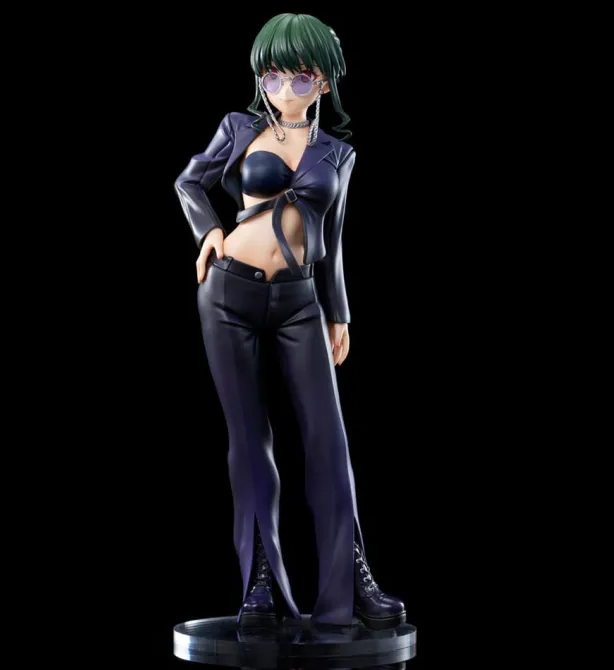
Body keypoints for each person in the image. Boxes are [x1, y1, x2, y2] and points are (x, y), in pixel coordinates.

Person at [174, 13, 406, 630]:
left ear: (324, 81)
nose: (283, 88)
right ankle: (260, 585)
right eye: (272, 75)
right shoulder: (240, 127)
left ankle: (352, 583)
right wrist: (209, 230)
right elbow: (189, 181)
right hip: (229, 293)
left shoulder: (338, 153)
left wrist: (339, 314)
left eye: (299, 77)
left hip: (301, 299)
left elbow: (334, 238)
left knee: (328, 440)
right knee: (250, 439)